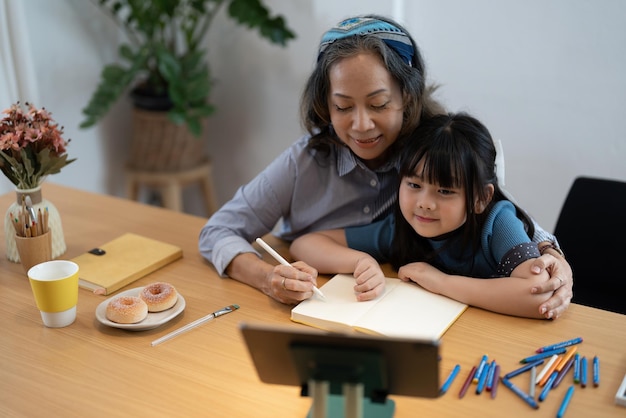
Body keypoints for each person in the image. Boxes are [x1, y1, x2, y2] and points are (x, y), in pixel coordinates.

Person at [198, 15, 572, 318]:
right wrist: (267, 278)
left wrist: (550, 253)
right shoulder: (305, 161)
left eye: (378, 104)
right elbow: (218, 231)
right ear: (324, 104)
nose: (361, 125)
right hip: (319, 305)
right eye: (343, 107)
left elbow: (496, 207)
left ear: (408, 96)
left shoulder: (427, 152)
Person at [291, 112, 554, 318]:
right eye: (414, 185)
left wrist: (441, 282)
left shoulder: (499, 223)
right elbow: (305, 245)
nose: (425, 204)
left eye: (445, 191)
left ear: (480, 198)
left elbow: (537, 295)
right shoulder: (402, 228)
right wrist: (360, 261)